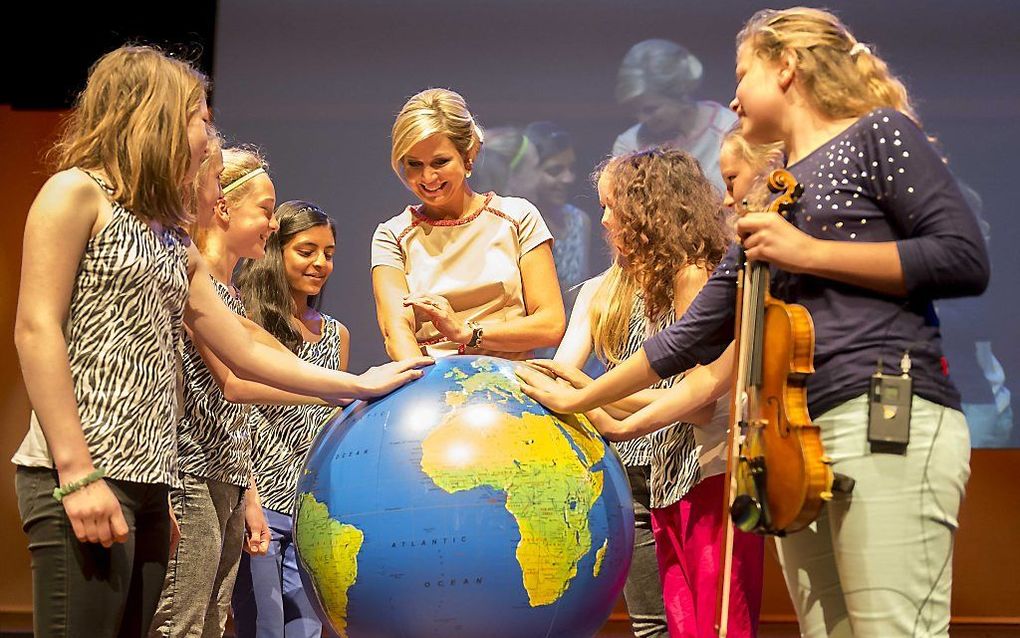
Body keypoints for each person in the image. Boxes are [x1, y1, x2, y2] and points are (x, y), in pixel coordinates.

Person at [519, 8, 990, 636]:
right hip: (795, 440)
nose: (733, 95)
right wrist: (576, 398)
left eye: (742, 74)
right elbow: (688, 340)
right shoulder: (778, 197)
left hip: (883, 413)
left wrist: (806, 253)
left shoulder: (879, 136)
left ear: (787, 68)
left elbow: (962, 257)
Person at [12, 45, 429, 638]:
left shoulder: (169, 240)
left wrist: (356, 385)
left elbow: (244, 350)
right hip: (80, 474)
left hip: (151, 483)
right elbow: (36, 328)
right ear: (152, 114)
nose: (209, 132)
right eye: (199, 116)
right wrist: (77, 474)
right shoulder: (75, 193)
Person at [524, 140, 779, 637]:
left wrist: (590, 394)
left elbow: (701, 402)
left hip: (708, 472)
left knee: (716, 623)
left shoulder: (694, 277)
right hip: (667, 477)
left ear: (647, 211)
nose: (602, 220)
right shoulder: (608, 288)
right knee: (668, 625)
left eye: (611, 207)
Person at [149, 140, 281, 638]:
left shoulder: (232, 298)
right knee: (179, 625)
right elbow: (234, 384)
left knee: (210, 624)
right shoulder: (197, 286)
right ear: (223, 206)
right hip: (190, 476)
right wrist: (341, 393)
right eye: (265, 211)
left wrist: (249, 493)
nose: (273, 224)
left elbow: (234, 418)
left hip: (223, 478)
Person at [372, 88, 565, 361]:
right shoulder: (392, 235)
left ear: (468, 156)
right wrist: (420, 385)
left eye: (440, 162)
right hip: (428, 381)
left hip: (513, 380)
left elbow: (550, 324)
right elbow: (396, 330)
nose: (427, 177)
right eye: (414, 164)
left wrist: (467, 332)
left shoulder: (518, 216)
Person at [231, 201, 348, 638]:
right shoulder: (244, 321)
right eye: (306, 250)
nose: (320, 263)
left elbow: (332, 423)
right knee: (263, 627)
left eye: (329, 253)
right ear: (276, 251)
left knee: (306, 630)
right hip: (257, 502)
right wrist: (249, 496)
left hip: (309, 510)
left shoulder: (336, 335)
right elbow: (234, 412)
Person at [613, 39, 737, 192]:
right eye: (635, 111)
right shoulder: (629, 146)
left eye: (651, 109)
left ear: (680, 96)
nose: (642, 119)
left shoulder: (729, 129)